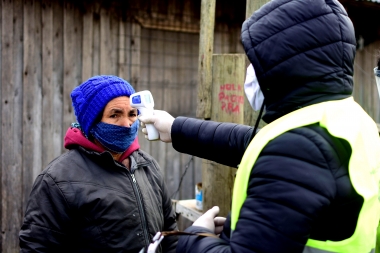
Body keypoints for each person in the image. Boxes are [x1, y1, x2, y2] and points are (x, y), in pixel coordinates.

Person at [139, 0, 380, 252]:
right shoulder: (349, 119)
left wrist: (197, 236)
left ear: (284, 63)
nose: (250, 70)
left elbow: (284, 155)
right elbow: (252, 142)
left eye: (256, 60)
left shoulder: (297, 148)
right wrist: (175, 128)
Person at [19, 75, 178, 253]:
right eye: (115, 115)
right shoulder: (57, 181)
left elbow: (169, 234)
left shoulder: (148, 167)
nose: (126, 124)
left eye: (132, 114)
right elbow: (37, 247)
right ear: (91, 123)